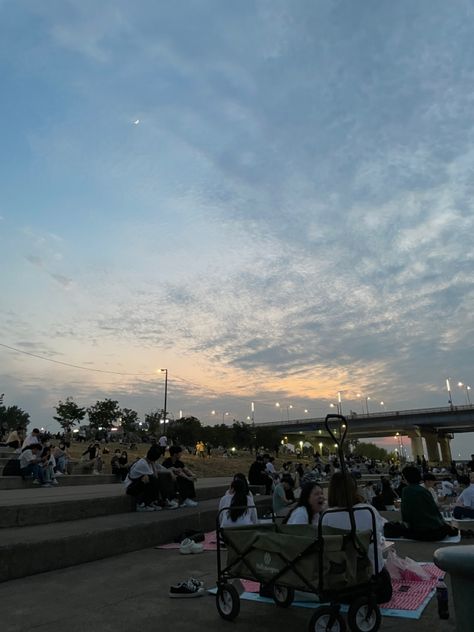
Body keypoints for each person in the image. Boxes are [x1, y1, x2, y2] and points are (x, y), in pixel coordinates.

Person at [321, 472, 392, 604]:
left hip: (340, 585)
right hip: (374, 585)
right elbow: (379, 537)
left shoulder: (326, 516)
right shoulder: (368, 511)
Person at [397, 466, 458, 541]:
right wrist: (444, 524)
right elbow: (434, 510)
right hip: (436, 532)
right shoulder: (424, 491)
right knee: (450, 528)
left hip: (419, 531)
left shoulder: (405, 491)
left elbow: (405, 513)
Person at [124, 445, 178, 511]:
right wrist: (154, 464)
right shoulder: (143, 464)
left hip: (136, 484)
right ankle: (141, 505)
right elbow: (155, 476)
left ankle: (155, 501)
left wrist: (170, 471)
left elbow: (160, 468)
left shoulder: (147, 460)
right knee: (151, 479)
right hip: (130, 487)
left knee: (155, 477)